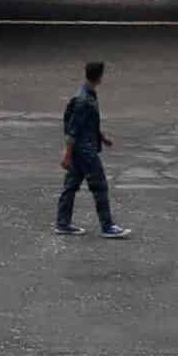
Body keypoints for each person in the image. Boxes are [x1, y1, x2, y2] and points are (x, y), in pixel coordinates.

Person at [56, 60, 131, 238]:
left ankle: (62, 223)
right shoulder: (84, 99)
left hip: (82, 148)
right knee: (99, 186)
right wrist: (67, 155)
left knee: (71, 185)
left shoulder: (87, 94)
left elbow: (88, 123)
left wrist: (101, 137)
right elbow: (73, 129)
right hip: (85, 151)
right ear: (100, 77)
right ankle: (107, 226)